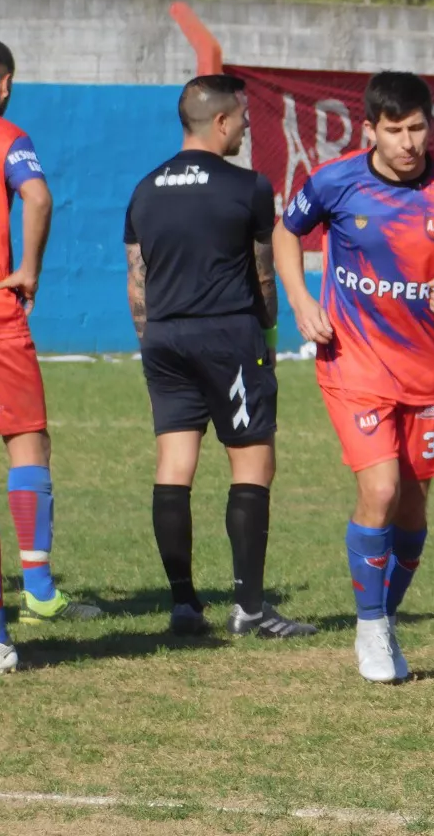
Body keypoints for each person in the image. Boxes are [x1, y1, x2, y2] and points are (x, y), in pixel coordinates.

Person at [275, 71, 434, 684]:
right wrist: (300, 300)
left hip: (426, 371)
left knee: (413, 507)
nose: (409, 142)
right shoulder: (335, 180)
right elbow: (285, 232)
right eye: (396, 130)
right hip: (353, 363)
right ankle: (371, 628)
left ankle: (383, 617)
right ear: (370, 129)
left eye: (418, 128)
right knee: (378, 490)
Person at [124, 73, 315, 639]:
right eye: (244, 120)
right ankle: (251, 611)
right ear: (222, 121)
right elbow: (263, 276)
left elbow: (138, 283)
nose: (247, 129)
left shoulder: (144, 189)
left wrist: (151, 348)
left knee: (174, 467)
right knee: (253, 464)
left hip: (162, 338)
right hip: (229, 337)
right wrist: (269, 343)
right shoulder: (249, 186)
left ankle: (184, 606)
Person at [0, 40, 101, 663]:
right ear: (4, 81)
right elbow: (38, 196)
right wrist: (29, 269)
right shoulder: (9, 135)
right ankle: (36, 588)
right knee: (28, 444)